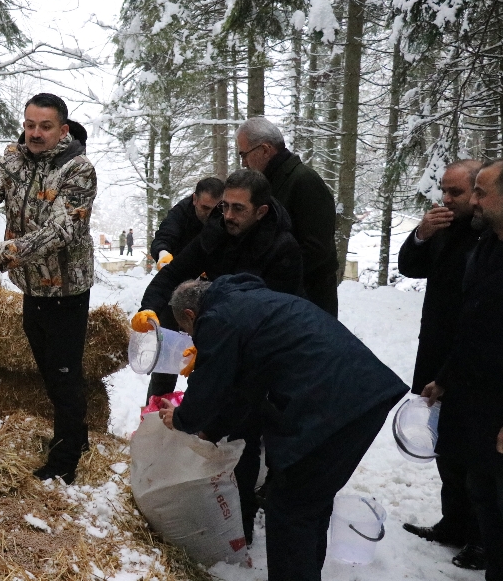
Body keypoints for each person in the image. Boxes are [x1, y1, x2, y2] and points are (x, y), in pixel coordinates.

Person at [159, 275, 408, 581]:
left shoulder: (218, 318)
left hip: (333, 403)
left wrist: (183, 419)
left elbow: (213, 384)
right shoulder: (247, 303)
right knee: (309, 502)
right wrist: (210, 431)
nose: (193, 338)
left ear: (190, 315)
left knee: (291, 510)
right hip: (359, 393)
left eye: (189, 332)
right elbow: (243, 389)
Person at [133, 168, 303, 544]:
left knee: (241, 428)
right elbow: (175, 272)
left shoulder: (282, 248)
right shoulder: (216, 231)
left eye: (238, 209)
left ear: (260, 211)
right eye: (224, 207)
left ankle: (239, 520)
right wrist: (151, 308)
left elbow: (276, 315)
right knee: (207, 417)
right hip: (215, 333)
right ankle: (198, 497)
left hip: (257, 349)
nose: (228, 216)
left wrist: (220, 352)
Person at [0, 92, 96, 485]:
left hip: (65, 290)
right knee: (48, 367)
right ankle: (76, 433)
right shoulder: (14, 158)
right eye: (30, 125)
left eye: (45, 126)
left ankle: (65, 459)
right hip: (30, 285)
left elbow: (61, 230)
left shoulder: (78, 170)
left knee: (64, 372)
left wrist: (0, 254)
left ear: (63, 128)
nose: (35, 133)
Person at [398, 160, 485, 569]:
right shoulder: (443, 228)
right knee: (444, 443)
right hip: (436, 348)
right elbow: (409, 266)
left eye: (457, 193)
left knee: (475, 451)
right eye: (444, 192)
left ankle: (482, 537)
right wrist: (421, 234)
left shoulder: (489, 236)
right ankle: (454, 522)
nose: (446, 200)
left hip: (473, 357)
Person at [423, 159, 503, 581]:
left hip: (496, 398)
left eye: (477, 192)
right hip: (465, 380)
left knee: (491, 488)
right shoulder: (481, 243)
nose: (466, 201)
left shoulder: (487, 240)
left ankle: (484, 545)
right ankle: (464, 531)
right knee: (466, 472)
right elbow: (470, 324)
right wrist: (446, 377)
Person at [235, 117, 339, 316]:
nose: (244, 163)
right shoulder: (268, 184)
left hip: (308, 300)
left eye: (244, 154)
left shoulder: (304, 181)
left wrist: (272, 273)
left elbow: (317, 249)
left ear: (265, 150)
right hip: (282, 296)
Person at [149, 177, 226, 270]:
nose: (210, 214)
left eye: (217, 210)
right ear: (195, 199)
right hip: (182, 269)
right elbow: (164, 237)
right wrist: (163, 254)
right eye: (205, 208)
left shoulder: (228, 213)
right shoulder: (180, 212)